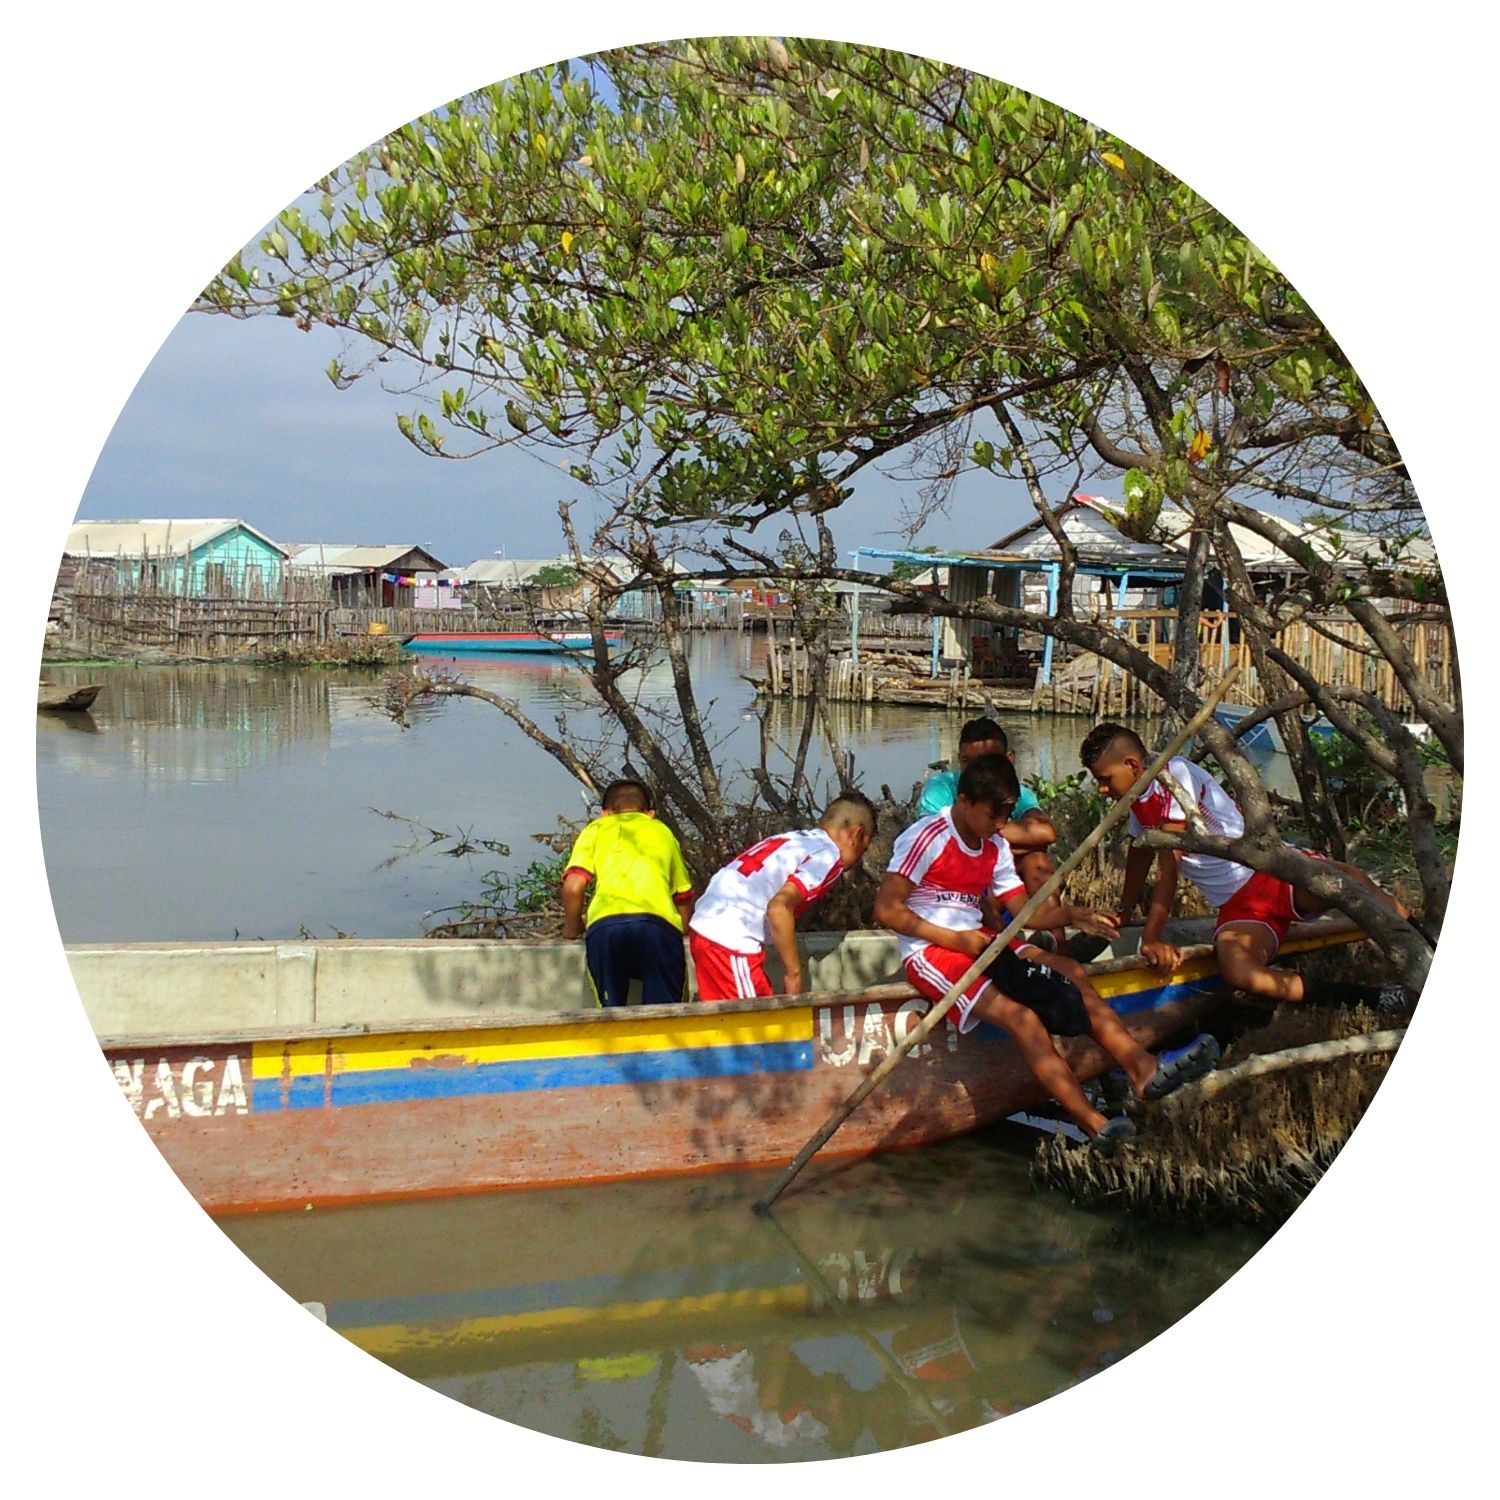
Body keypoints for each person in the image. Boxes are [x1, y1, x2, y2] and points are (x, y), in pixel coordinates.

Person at [874, 753, 1219, 1148]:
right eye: (992, 816)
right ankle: (1093, 1122)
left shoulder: (995, 843)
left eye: (1005, 817)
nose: (1001, 826)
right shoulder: (927, 837)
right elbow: (886, 909)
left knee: (1071, 975)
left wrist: (1072, 914)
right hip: (932, 952)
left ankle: (1142, 1067)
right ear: (964, 802)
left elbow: (1022, 913)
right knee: (1023, 1020)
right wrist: (955, 941)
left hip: (986, 941)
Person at [1078, 723, 1408, 1002]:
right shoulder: (1136, 798)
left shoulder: (1174, 775)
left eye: (1105, 778)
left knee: (1365, 896)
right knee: (1239, 973)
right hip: (1239, 906)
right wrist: (1124, 910)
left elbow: (1169, 868)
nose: (1102, 789)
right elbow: (1140, 855)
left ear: (1133, 766)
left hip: (1272, 875)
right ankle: (1373, 999)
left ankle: (1420, 938)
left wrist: (1152, 936)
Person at [689, 792, 877, 1001]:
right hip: (730, 940)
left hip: (706, 926)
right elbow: (779, 908)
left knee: (728, 1028)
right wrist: (794, 974)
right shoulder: (828, 855)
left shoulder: (790, 839)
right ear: (855, 835)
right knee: (757, 1028)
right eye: (864, 848)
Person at [919, 717, 1065, 950]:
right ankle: (1015, 952)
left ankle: (1059, 948)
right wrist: (1010, 839)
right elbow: (943, 845)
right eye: (968, 762)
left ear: (1008, 761)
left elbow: (1045, 832)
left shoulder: (1016, 792)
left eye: (986, 762)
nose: (978, 772)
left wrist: (991, 836)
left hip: (1000, 888)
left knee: (1036, 859)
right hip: (955, 888)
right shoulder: (941, 789)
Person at [561, 778, 695, 1008]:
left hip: (605, 928)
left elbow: (573, 886)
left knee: (611, 1015)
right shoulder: (662, 832)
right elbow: (683, 895)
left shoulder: (595, 830)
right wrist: (682, 931)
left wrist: (573, 927)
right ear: (650, 813)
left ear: (605, 813)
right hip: (658, 927)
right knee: (665, 1014)